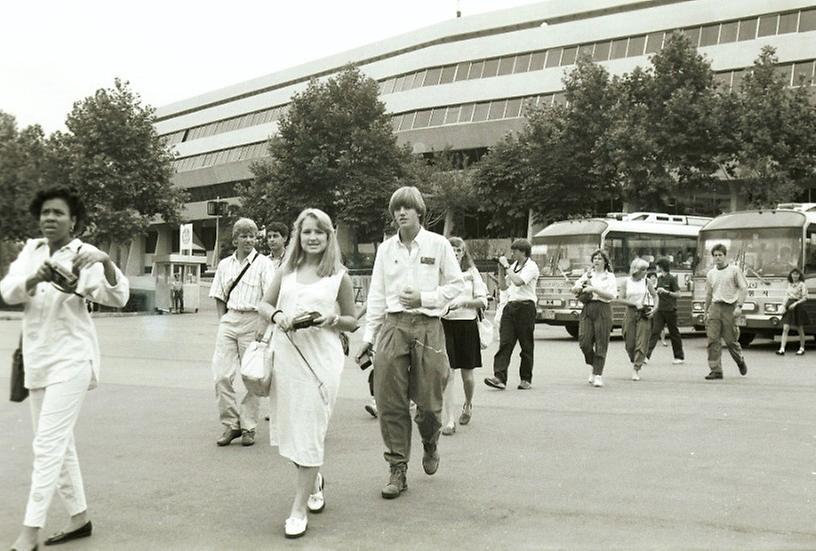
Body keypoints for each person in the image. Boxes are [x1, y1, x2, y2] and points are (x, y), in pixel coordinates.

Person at [2, 187, 130, 551]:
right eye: (44, 212)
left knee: (47, 444)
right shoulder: (32, 250)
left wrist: (104, 262)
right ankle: (79, 518)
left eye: (58, 213)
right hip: (38, 359)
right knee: (59, 444)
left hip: (72, 359)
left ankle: (30, 531)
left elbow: (117, 297)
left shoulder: (84, 254)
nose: (49, 218)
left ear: (74, 220)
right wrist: (35, 278)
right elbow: (8, 291)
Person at [355, 186, 463, 500]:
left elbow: (456, 285)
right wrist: (367, 337)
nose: (401, 213)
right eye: (396, 209)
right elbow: (376, 294)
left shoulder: (438, 244)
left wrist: (425, 297)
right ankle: (397, 468)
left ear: (419, 212)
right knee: (390, 402)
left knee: (429, 406)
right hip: (393, 325)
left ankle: (430, 443)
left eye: (407, 208)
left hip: (428, 326)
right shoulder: (386, 249)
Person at [257, 208, 357, 538]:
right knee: (292, 430)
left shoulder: (338, 274)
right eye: (306, 232)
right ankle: (315, 479)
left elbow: (352, 321)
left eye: (320, 232)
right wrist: (278, 316)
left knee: (311, 431)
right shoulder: (286, 271)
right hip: (286, 358)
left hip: (321, 362)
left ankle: (298, 507)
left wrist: (332, 319)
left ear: (329, 237)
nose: (313, 237)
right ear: (297, 236)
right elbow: (265, 305)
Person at [209, 218, 274, 447]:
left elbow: (269, 298)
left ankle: (248, 426)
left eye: (252, 236)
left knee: (252, 376)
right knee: (221, 375)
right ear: (235, 239)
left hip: (254, 320)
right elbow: (219, 295)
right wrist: (222, 321)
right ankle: (231, 424)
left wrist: (263, 326)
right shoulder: (225, 264)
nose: (248, 240)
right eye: (244, 236)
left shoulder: (264, 264)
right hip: (230, 319)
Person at [441, 237, 488, 435]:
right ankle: (449, 420)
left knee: (467, 376)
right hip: (445, 324)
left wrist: (463, 303)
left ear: (463, 253)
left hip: (467, 325)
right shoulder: (440, 273)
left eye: (459, 250)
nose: (455, 252)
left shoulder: (472, 273)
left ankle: (468, 403)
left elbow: (483, 301)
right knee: (448, 373)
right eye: (451, 249)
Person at [484, 239, 540, 391]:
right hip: (511, 306)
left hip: (526, 307)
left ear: (523, 252)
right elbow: (503, 286)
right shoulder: (514, 266)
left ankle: (526, 379)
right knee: (505, 342)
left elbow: (518, 282)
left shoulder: (531, 266)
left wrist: (507, 266)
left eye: (515, 251)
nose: (512, 253)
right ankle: (499, 377)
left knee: (526, 344)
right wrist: (501, 269)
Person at [571, 249, 618, 388]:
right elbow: (576, 286)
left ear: (605, 261)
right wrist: (577, 288)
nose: (596, 261)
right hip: (588, 308)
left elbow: (611, 296)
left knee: (601, 342)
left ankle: (598, 374)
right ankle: (595, 364)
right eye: (595, 258)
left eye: (599, 258)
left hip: (603, 308)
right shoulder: (588, 274)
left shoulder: (610, 277)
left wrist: (594, 289)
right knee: (584, 341)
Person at [704, 244, 748, 380]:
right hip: (715, 307)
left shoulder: (734, 270)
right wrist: (705, 311)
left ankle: (740, 360)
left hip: (730, 307)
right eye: (715, 255)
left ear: (725, 256)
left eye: (720, 255)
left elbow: (743, 288)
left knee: (730, 341)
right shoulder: (711, 273)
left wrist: (739, 306)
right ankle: (716, 369)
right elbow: (709, 294)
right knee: (713, 340)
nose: (717, 258)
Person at [617, 259, 658, 381]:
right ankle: (634, 359)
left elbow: (655, 295)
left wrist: (655, 309)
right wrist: (634, 304)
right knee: (629, 342)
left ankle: (636, 368)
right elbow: (620, 299)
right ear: (636, 270)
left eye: (646, 269)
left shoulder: (647, 282)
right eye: (643, 269)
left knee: (642, 341)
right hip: (630, 312)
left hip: (644, 313)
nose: (646, 272)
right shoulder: (626, 282)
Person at [646, 258, 685, 364]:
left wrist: (666, 292)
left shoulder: (672, 279)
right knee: (655, 332)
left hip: (670, 309)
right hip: (660, 309)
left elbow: (678, 294)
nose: (656, 267)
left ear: (662, 266)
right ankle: (646, 356)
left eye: (658, 265)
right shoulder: (659, 279)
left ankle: (679, 356)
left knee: (674, 333)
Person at [777, 268, 810, 355]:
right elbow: (786, 296)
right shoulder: (789, 285)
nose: (795, 276)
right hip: (789, 305)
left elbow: (805, 297)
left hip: (798, 306)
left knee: (799, 328)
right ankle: (782, 348)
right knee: (785, 328)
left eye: (797, 274)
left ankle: (802, 348)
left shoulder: (802, 285)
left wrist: (796, 304)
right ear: (791, 275)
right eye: (793, 274)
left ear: (800, 275)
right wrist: (783, 305)